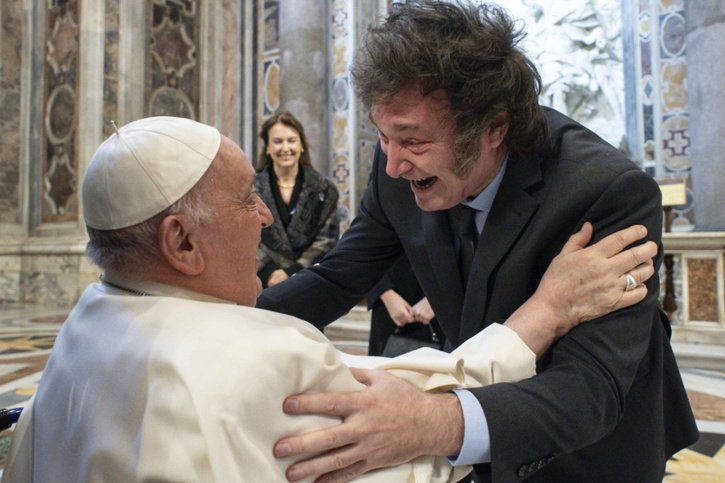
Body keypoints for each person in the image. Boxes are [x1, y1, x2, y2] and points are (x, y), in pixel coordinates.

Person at [1, 116, 656, 483]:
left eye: (411, 138)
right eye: (241, 198)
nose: (263, 216)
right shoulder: (248, 359)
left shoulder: (85, 327)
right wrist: (546, 309)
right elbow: (406, 430)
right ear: (180, 240)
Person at [256, 2, 699, 482]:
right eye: (382, 136)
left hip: (595, 446)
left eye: (413, 142)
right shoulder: (398, 173)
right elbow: (337, 278)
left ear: (493, 130)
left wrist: (433, 421)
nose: (392, 164)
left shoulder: (604, 191)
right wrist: (223, 324)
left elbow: (588, 387)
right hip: (478, 432)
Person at [255, 111, 340, 288]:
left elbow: (327, 240)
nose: (285, 148)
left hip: (308, 283)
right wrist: (269, 272)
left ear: (301, 145)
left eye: (291, 140)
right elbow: (243, 234)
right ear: (268, 148)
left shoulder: (324, 189)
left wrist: (292, 271)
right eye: (278, 141)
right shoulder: (250, 189)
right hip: (261, 283)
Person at [368, 254, 444, 356]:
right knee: (384, 365)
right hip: (390, 296)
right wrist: (384, 292)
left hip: (447, 300)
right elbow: (362, 249)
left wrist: (439, 296)